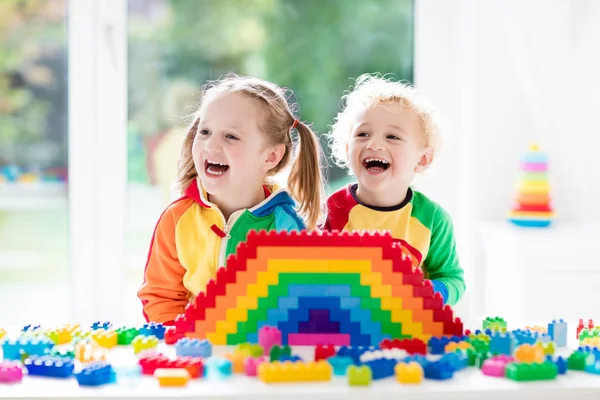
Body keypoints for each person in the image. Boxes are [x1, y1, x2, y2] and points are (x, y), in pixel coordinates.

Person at [138, 73, 325, 323]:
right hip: (192, 350)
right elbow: (161, 297)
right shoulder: (177, 219)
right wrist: (181, 341)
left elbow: (300, 306)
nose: (210, 146)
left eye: (231, 136)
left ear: (270, 157)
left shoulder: (287, 227)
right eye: (204, 131)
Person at [324, 73, 465, 306]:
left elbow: (453, 279)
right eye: (363, 134)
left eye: (392, 136)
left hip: (410, 330)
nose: (374, 144)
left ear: (422, 160)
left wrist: (426, 292)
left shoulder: (432, 219)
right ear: (347, 148)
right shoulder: (332, 209)